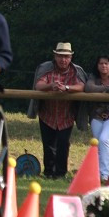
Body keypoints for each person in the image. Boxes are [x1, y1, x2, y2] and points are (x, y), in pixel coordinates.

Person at [27, 42, 87, 179]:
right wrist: (51, 86)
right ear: (55, 56)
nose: (63, 60)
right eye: (60, 56)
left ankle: (60, 173)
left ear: (71, 58)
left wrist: (66, 88)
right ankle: (48, 172)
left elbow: (81, 86)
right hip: (47, 114)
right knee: (48, 145)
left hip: (66, 116)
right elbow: (39, 85)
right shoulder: (46, 68)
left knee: (63, 145)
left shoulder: (76, 71)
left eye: (66, 56)